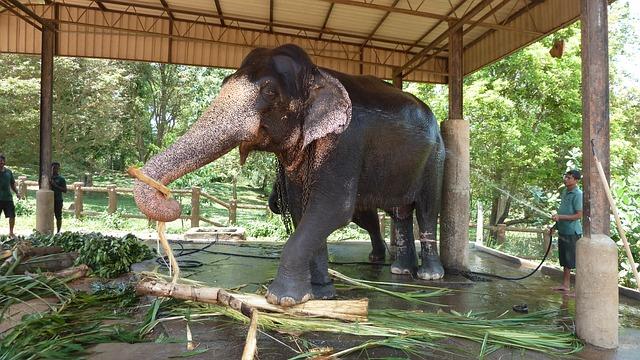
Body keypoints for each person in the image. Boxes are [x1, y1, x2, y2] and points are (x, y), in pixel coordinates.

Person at [550, 169, 583, 294]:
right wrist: (554, 227)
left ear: (575, 180)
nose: (565, 179)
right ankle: (565, 285)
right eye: (565, 177)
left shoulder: (578, 194)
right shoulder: (565, 192)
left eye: (569, 178)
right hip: (563, 230)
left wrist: (560, 217)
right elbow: (562, 212)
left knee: (574, 260)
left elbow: (578, 215)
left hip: (572, 232)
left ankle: (579, 289)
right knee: (565, 260)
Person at [0, 154, 21, 238]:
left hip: (8, 198)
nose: (0, 162)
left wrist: (17, 192)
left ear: (4, 162)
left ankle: (11, 233)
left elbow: (12, 183)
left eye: (2, 161)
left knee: (12, 216)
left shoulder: (8, 172)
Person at [50, 162, 67, 233]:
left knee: (58, 216)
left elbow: (65, 190)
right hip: (48, 200)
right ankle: (49, 230)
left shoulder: (61, 179)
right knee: (49, 216)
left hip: (58, 200)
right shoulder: (48, 178)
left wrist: (55, 185)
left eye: (57, 168)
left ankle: (58, 231)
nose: (55, 170)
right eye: (54, 168)